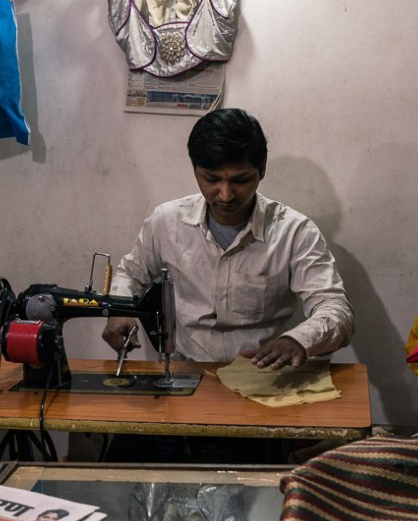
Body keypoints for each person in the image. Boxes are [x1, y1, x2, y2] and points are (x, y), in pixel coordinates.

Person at [102, 108, 354, 371]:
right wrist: (120, 309)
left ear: (262, 170)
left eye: (241, 180)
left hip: (264, 374)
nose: (225, 195)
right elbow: (130, 275)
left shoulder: (295, 232)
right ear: (195, 170)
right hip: (188, 371)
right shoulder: (166, 222)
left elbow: (336, 309)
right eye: (211, 179)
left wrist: (299, 340)